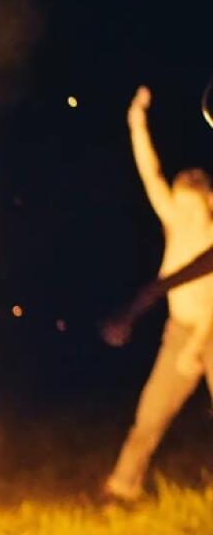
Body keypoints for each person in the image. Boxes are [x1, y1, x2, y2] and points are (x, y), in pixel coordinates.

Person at [100, 86, 213, 502]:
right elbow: (150, 171)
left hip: (211, 335)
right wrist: (136, 120)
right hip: (179, 332)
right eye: (178, 205)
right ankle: (121, 487)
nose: (183, 214)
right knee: (148, 416)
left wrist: (200, 345)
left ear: (209, 202)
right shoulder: (173, 223)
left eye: (192, 207)